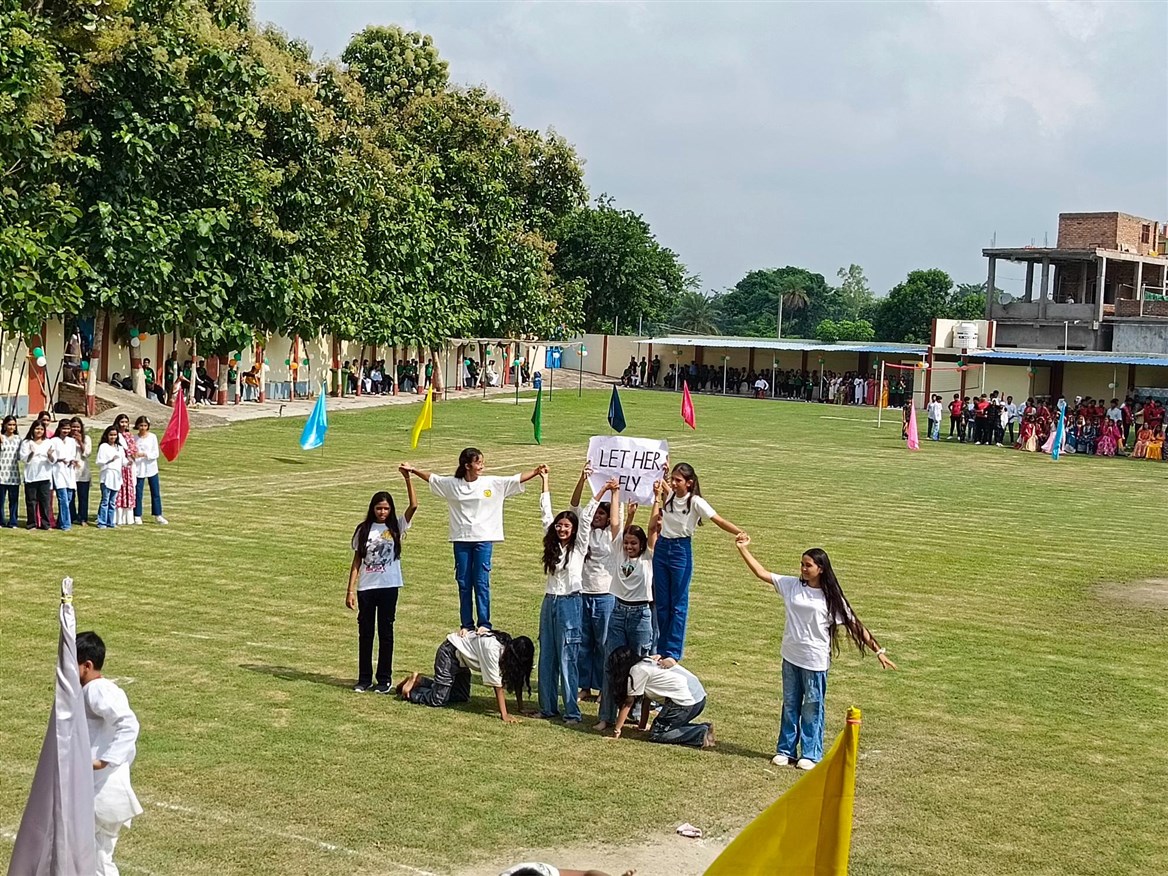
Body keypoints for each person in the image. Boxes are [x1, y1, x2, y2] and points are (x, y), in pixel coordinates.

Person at [735, 534, 896, 769]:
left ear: (820, 569)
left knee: (812, 707)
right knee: (790, 704)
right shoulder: (791, 585)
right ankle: (785, 750)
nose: (803, 569)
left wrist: (878, 650)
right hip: (790, 656)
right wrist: (743, 549)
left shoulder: (831, 598)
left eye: (808, 565)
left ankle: (810, 754)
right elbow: (761, 573)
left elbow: (855, 625)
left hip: (814, 660)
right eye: (802, 564)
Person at [402, 450, 543, 632]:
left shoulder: (491, 483)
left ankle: (484, 623)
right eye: (478, 463)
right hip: (461, 540)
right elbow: (433, 478)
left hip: (483, 541)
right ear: (467, 466)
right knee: (464, 583)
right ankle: (466, 624)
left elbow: (515, 479)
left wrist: (536, 471)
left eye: (482, 462)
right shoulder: (453, 484)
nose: (482, 466)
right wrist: (413, 470)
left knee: (481, 582)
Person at [535, 467, 613, 723]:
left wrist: (601, 490)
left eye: (566, 526)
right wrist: (545, 480)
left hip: (571, 602)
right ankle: (547, 707)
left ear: (574, 529)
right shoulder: (551, 544)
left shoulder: (579, 546)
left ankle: (572, 711)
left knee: (568, 657)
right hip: (549, 602)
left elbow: (587, 517)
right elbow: (545, 513)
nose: (561, 529)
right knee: (547, 656)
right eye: (559, 525)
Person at [653, 463, 742, 662]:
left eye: (678, 480)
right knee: (663, 603)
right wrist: (664, 467)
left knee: (678, 603)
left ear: (689, 482)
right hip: (662, 547)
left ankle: (673, 652)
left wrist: (739, 532)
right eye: (672, 479)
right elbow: (661, 480)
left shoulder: (695, 502)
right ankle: (662, 648)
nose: (673, 483)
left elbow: (719, 520)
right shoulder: (670, 495)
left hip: (680, 551)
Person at [77, 631, 144, 876]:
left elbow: (128, 724)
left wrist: (105, 761)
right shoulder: (96, 690)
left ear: (87, 666)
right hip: (100, 790)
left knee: (97, 860)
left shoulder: (97, 690)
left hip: (102, 794)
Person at [346, 472, 418, 693]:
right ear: (372, 509)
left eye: (386, 508)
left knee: (386, 633)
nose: (382, 512)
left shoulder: (396, 526)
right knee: (366, 633)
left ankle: (384, 679)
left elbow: (414, 506)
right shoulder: (363, 529)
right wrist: (350, 590)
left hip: (389, 586)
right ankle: (364, 679)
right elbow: (357, 560)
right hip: (367, 588)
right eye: (379, 508)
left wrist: (408, 478)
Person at [596, 510, 657, 732]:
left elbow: (652, 529)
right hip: (618, 612)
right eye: (627, 543)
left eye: (634, 543)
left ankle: (636, 714)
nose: (629, 546)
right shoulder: (619, 554)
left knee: (640, 666)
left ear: (642, 545)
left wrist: (656, 500)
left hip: (641, 615)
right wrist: (617, 498)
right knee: (611, 664)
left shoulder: (648, 557)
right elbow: (615, 525)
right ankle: (606, 716)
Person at [397, 629, 534, 723]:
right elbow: (497, 686)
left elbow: (517, 677)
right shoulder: (492, 649)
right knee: (438, 699)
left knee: (461, 697)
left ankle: (420, 681)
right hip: (449, 654)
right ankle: (411, 692)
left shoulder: (509, 652)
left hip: (462, 661)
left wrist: (521, 707)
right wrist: (504, 715)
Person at [569, 464, 622, 704]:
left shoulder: (611, 535)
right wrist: (582, 480)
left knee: (603, 644)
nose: (597, 516)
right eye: (596, 513)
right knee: (583, 643)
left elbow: (617, 519)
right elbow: (575, 506)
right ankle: (584, 686)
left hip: (605, 595)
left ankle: (603, 687)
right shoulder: (584, 532)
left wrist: (614, 491)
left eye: (602, 514)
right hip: (583, 592)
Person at [605, 648, 715, 749]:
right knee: (666, 727)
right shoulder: (648, 662)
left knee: (658, 733)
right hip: (699, 699)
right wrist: (642, 726)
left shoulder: (636, 671)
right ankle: (705, 727)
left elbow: (628, 703)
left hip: (685, 703)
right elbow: (646, 700)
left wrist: (616, 731)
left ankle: (700, 733)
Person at [130, 416, 167, 525]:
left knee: (155, 492)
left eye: (145, 425)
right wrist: (134, 455)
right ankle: (137, 515)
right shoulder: (134, 438)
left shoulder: (152, 437)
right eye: (141, 425)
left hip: (151, 467)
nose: (143, 428)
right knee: (138, 492)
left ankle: (158, 515)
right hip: (139, 468)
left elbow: (156, 453)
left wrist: (145, 454)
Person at [20, 420, 53, 530]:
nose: (39, 431)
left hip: (45, 476)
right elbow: (24, 459)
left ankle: (45, 524)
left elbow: (53, 460)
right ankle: (31, 524)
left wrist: (49, 455)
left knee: (45, 502)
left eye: (42, 429)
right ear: (33, 429)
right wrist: (32, 453)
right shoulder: (26, 442)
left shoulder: (48, 442)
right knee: (31, 501)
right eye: (37, 429)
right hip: (31, 476)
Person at [48, 419, 78, 530]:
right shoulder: (54, 440)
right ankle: (66, 524)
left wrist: (72, 461)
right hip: (58, 471)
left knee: (69, 498)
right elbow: (51, 458)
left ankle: (60, 522)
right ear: (59, 428)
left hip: (69, 471)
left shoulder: (71, 441)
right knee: (63, 499)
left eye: (68, 428)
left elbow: (73, 454)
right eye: (64, 428)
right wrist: (59, 459)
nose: (66, 431)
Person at [95, 425, 126, 529]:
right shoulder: (103, 446)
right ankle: (101, 522)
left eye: (115, 435)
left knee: (112, 502)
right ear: (107, 435)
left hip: (117, 477)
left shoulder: (119, 448)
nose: (113, 437)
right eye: (111, 435)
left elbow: (124, 461)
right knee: (105, 500)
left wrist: (130, 461)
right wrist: (110, 460)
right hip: (107, 475)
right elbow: (99, 462)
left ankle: (110, 521)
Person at [113, 414, 137, 526]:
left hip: (129, 466)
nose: (124, 424)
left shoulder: (129, 436)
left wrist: (131, 456)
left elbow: (133, 450)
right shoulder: (115, 435)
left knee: (128, 488)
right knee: (119, 489)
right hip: (119, 465)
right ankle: (117, 516)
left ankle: (128, 517)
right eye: (122, 422)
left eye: (126, 422)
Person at [0, 416, 20, 528]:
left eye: (13, 425)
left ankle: (13, 521)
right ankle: (1, 521)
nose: (11, 427)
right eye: (9, 424)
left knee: (13, 500)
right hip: (1, 473)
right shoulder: (1, 437)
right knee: (0, 501)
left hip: (13, 475)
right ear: (5, 425)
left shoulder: (18, 439)